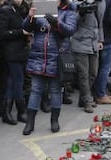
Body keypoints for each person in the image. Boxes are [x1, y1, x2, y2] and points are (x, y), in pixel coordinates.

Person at [22, 0, 76, 135]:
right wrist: (30, 17)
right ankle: (30, 123)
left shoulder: (68, 11)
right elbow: (26, 28)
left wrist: (56, 22)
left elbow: (70, 30)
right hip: (38, 56)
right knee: (35, 90)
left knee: (55, 90)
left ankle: (54, 121)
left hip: (57, 56)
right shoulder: (39, 9)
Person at [0, 0, 30, 125]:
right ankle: (21, 111)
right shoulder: (5, 10)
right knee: (18, 81)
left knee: (13, 82)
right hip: (12, 52)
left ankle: (7, 112)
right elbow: (3, 33)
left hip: (22, 51)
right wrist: (21, 32)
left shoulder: (23, 9)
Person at [71, 0, 105, 113]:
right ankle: (87, 101)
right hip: (80, 42)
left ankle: (83, 98)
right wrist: (81, 12)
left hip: (94, 43)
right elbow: (71, 22)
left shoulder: (100, 2)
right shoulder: (77, 2)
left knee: (93, 73)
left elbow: (100, 23)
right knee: (83, 75)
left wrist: (101, 39)